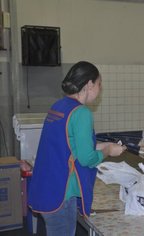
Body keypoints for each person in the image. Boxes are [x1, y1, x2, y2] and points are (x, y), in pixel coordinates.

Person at [28, 61, 127, 236]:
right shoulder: (81, 113)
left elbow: (68, 145)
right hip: (62, 193)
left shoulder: (58, 106)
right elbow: (86, 158)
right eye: (99, 84)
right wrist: (108, 151)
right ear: (89, 84)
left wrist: (103, 145)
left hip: (46, 188)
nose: (100, 89)